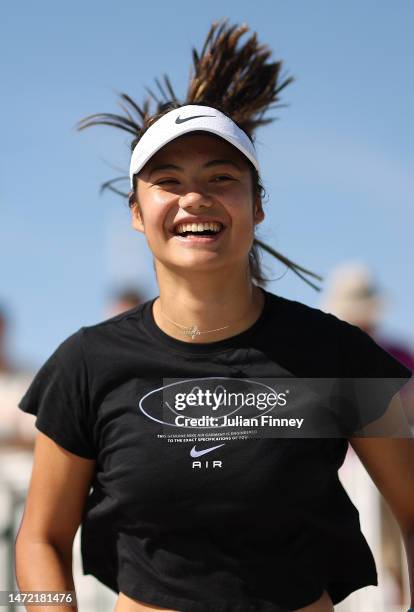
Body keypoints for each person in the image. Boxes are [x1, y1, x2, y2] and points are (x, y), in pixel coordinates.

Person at [14, 20, 414, 612]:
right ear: (136, 212)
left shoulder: (338, 354)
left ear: (256, 205)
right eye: (167, 181)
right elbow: (40, 538)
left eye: (221, 178)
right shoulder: (86, 364)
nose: (194, 197)